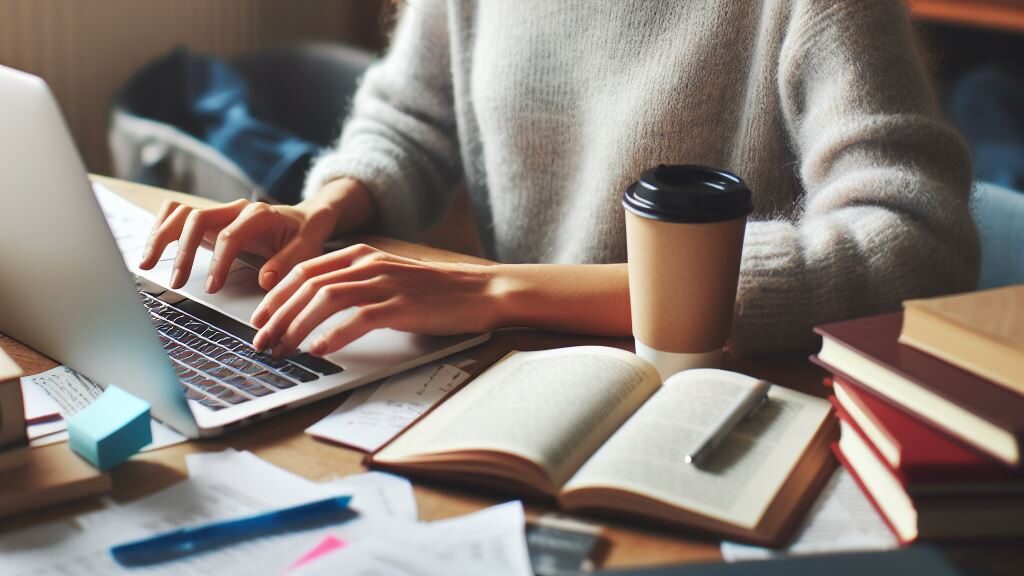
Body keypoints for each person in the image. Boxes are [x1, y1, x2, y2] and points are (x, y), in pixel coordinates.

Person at [140, 0, 979, 359]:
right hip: (514, 371)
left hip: (720, 394)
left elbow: (915, 242)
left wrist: (504, 291)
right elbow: (411, 118)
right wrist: (320, 212)